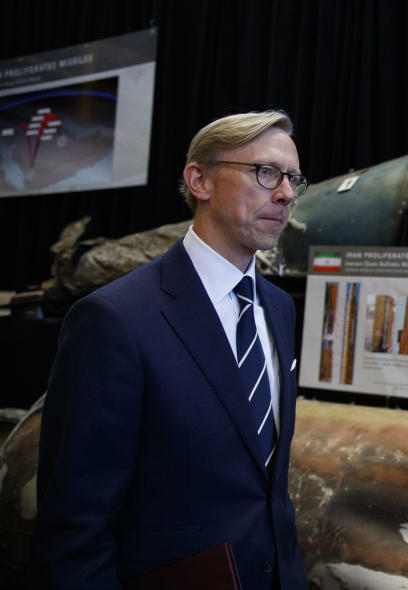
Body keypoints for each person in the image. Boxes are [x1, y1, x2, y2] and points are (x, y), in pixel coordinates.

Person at [31, 111, 309, 590]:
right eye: (265, 173)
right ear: (199, 179)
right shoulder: (114, 319)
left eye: (293, 179)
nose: (284, 194)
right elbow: (74, 532)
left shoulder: (279, 308)